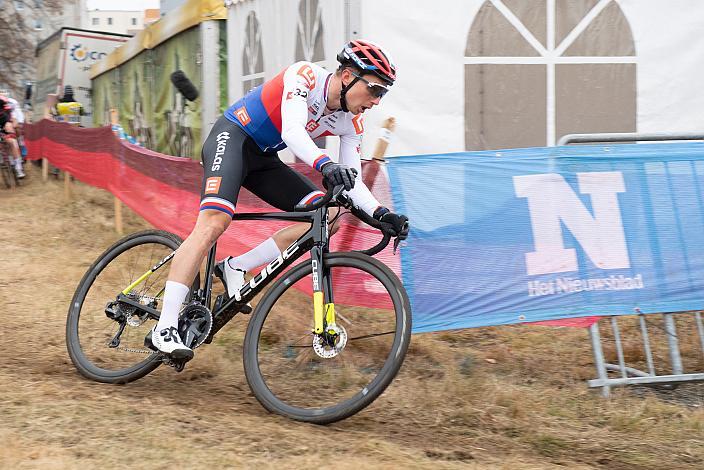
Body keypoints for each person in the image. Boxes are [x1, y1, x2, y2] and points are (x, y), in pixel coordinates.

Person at [149, 40, 410, 360]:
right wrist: (326, 166)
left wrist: (383, 214)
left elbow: (352, 182)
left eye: (382, 94)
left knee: (326, 217)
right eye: (374, 90)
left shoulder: (351, 120)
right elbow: (292, 132)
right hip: (233, 138)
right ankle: (164, 327)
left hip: (263, 159)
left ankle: (236, 266)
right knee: (215, 223)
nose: (375, 101)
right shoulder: (306, 77)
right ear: (346, 76)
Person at [0, 91, 24, 178]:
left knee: (12, 141)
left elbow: (14, 119)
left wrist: (16, 124)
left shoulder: (10, 106)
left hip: (6, 125)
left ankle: (18, 168)